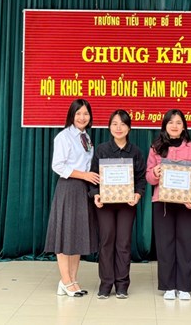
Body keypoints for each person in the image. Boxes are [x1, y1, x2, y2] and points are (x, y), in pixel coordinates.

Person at [146, 109, 191, 301]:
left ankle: (185, 286)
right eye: (170, 122)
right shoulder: (156, 148)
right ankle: (168, 286)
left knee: (186, 244)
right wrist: (155, 172)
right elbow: (149, 177)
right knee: (165, 245)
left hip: (186, 203)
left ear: (184, 127)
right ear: (165, 126)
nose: (174, 126)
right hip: (162, 203)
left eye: (179, 122)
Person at [44, 99, 100, 297]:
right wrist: (84, 175)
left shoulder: (86, 137)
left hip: (83, 189)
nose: (82, 117)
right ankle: (65, 280)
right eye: (78, 114)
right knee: (65, 234)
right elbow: (58, 166)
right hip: (69, 188)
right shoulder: (64, 137)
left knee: (78, 235)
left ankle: (73, 280)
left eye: (86, 114)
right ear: (71, 115)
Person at [89, 109, 147, 300]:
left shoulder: (136, 152)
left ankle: (122, 285)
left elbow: (141, 178)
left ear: (129, 127)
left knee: (123, 243)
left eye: (123, 124)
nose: (118, 128)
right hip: (105, 204)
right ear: (109, 127)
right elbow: (94, 176)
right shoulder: (101, 149)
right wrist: (96, 195)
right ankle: (105, 284)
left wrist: (138, 195)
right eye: (114, 124)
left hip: (127, 204)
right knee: (106, 241)